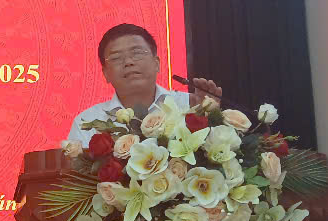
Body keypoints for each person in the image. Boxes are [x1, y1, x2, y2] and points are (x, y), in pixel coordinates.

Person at [64, 23, 221, 146]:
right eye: (116, 58)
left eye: (137, 53)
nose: (128, 62)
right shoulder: (87, 121)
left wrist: (210, 117)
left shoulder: (188, 105)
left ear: (156, 63)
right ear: (105, 73)